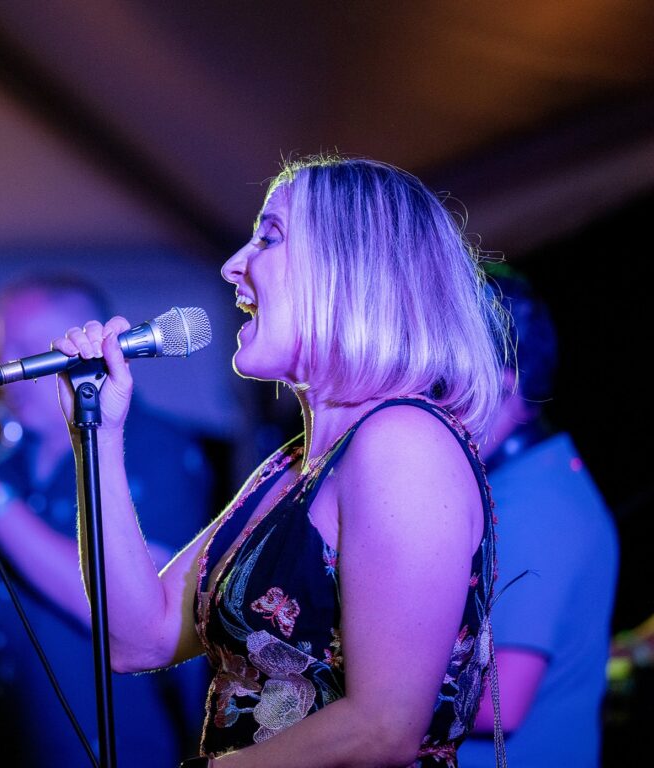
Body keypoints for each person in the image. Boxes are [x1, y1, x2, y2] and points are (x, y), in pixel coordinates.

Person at [51, 155, 508, 766]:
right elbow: (138, 637)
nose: (232, 264)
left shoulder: (403, 443)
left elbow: (384, 726)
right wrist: (98, 437)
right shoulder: (288, 469)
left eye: (270, 236)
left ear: (351, 270)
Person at [0, 276, 214, 767]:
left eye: (27, 350)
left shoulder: (159, 449)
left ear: (85, 352)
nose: (7, 367)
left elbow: (128, 610)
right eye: (2, 348)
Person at [459, 269, 618, 767]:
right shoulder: (535, 481)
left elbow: (497, 706)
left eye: (445, 380)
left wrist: (346, 686)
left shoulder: (535, 506)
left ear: (502, 385)